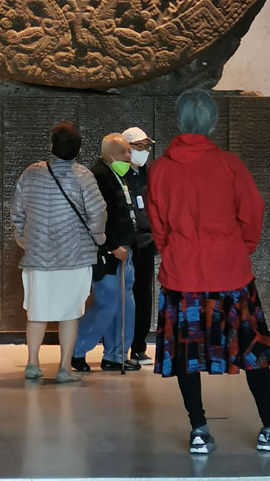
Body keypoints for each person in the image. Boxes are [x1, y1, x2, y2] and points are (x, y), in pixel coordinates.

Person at [147, 89, 270, 455]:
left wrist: (173, 250)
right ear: (213, 124)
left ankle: (199, 431)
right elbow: (253, 211)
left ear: (180, 121)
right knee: (253, 351)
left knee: (186, 354)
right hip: (231, 274)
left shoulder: (159, 169)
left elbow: (156, 224)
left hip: (180, 274)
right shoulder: (230, 165)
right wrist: (240, 248)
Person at [10, 121, 106, 383]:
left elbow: (17, 210)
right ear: (78, 150)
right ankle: (64, 368)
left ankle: (32, 363)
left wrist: (22, 237)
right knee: (70, 313)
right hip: (75, 257)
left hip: (38, 256)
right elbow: (97, 214)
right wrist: (99, 239)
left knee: (37, 313)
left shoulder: (31, 173)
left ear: (51, 146)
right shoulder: (84, 176)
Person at [71, 133, 141, 373]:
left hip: (125, 250)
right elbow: (98, 216)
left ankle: (116, 354)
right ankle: (76, 349)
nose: (128, 156)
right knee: (108, 303)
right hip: (109, 253)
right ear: (109, 153)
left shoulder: (119, 175)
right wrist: (112, 245)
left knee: (124, 305)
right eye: (124, 152)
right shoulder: (99, 176)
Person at [122, 125, 156, 365]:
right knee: (121, 297)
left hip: (145, 243)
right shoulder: (117, 174)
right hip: (123, 244)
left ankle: (138, 346)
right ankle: (116, 348)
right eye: (139, 147)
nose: (144, 152)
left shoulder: (150, 175)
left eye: (147, 147)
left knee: (143, 296)